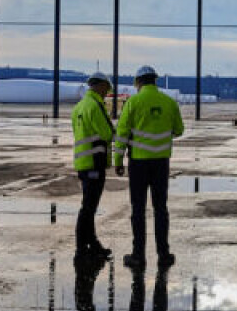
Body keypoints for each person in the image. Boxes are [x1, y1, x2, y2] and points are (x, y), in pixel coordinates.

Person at [113, 66, 184, 268]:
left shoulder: (133, 102)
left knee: (138, 210)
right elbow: (179, 130)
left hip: (138, 164)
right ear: (155, 81)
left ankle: (138, 256)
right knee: (161, 209)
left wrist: (118, 161)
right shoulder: (169, 102)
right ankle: (164, 254)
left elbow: (122, 134)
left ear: (138, 82)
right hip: (161, 163)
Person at [71, 72, 115, 260]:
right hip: (94, 162)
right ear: (100, 86)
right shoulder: (95, 106)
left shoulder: (79, 106)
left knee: (88, 206)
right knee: (88, 208)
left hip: (82, 162)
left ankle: (92, 244)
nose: (107, 92)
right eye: (106, 88)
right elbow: (107, 133)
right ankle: (82, 248)